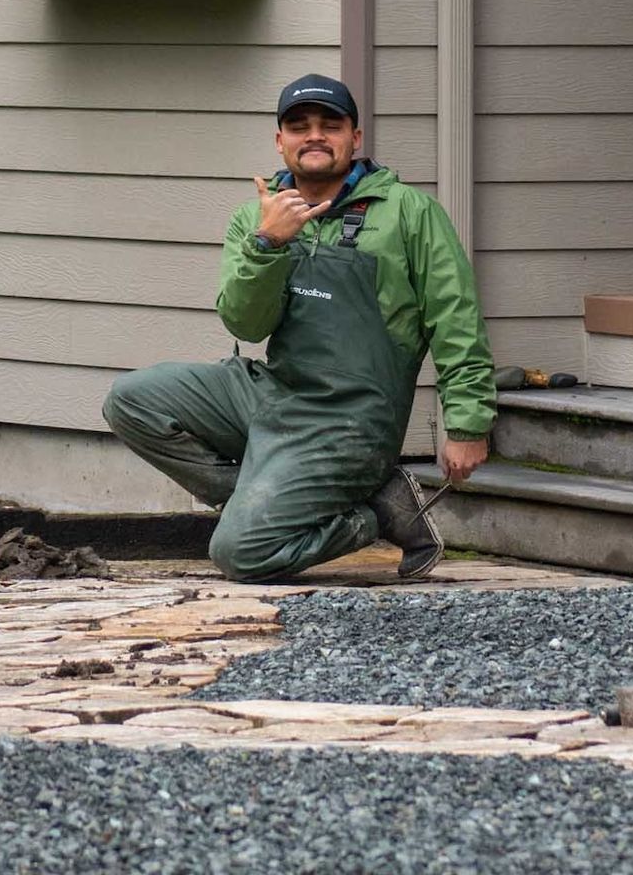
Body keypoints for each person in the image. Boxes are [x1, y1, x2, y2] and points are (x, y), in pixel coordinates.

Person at [103, 74, 497, 582]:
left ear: (355, 138)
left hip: (351, 418)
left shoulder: (409, 213)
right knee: (132, 399)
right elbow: (246, 321)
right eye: (299, 126)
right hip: (277, 391)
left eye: (330, 125)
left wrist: (467, 423)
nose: (314, 135)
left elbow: (457, 320)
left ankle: (375, 515)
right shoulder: (256, 216)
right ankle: (286, 496)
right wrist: (269, 244)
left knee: (240, 554)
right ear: (280, 140)